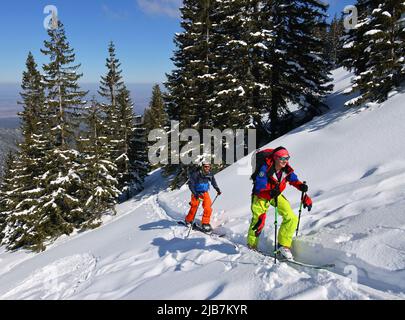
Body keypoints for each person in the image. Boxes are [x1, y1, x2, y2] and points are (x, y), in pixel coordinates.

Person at [248, 146, 312, 260]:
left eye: (287, 158)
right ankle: (251, 245)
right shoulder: (265, 169)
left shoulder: (286, 169)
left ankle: (283, 246)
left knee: (291, 217)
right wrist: (270, 193)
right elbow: (258, 188)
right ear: (275, 158)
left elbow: (293, 179)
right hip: (261, 196)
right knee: (258, 221)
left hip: (275, 194)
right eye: (282, 158)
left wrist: (301, 186)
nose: (285, 161)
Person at [185, 162, 222, 232]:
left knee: (208, 208)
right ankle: (188, 220)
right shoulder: (196, 174)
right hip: (196, 193)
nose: (207, 168)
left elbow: (213, 181)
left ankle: (205, 223)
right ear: (202, 167)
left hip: (205, 193)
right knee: (194, 207)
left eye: (208, 167)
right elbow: (191, 185)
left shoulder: (209, 174)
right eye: (205, 166)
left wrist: (217, 188)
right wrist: (196, 194)